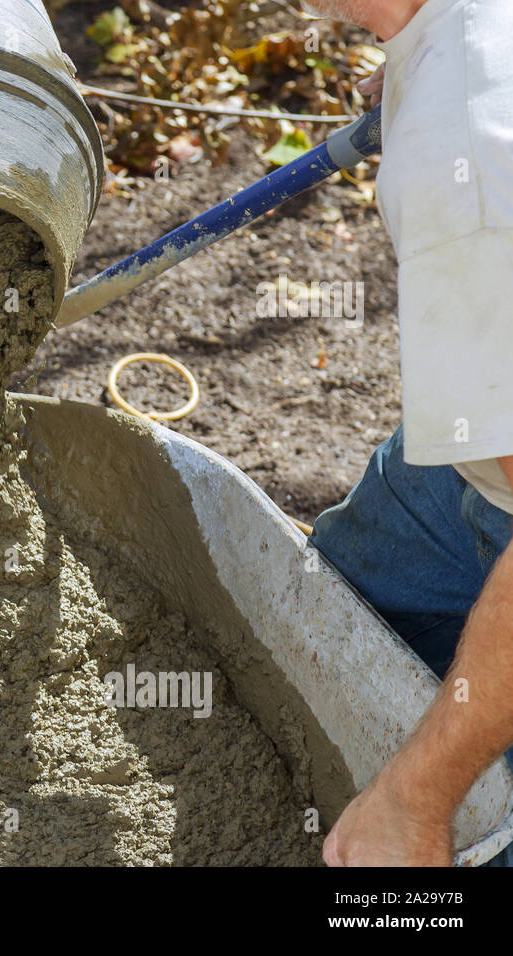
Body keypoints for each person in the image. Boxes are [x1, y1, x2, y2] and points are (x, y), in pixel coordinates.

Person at [294, 0, 513, 866]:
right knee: (333, 609)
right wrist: (426, 61)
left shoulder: (468, 169)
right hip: (473, 459)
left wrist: (414, 801)